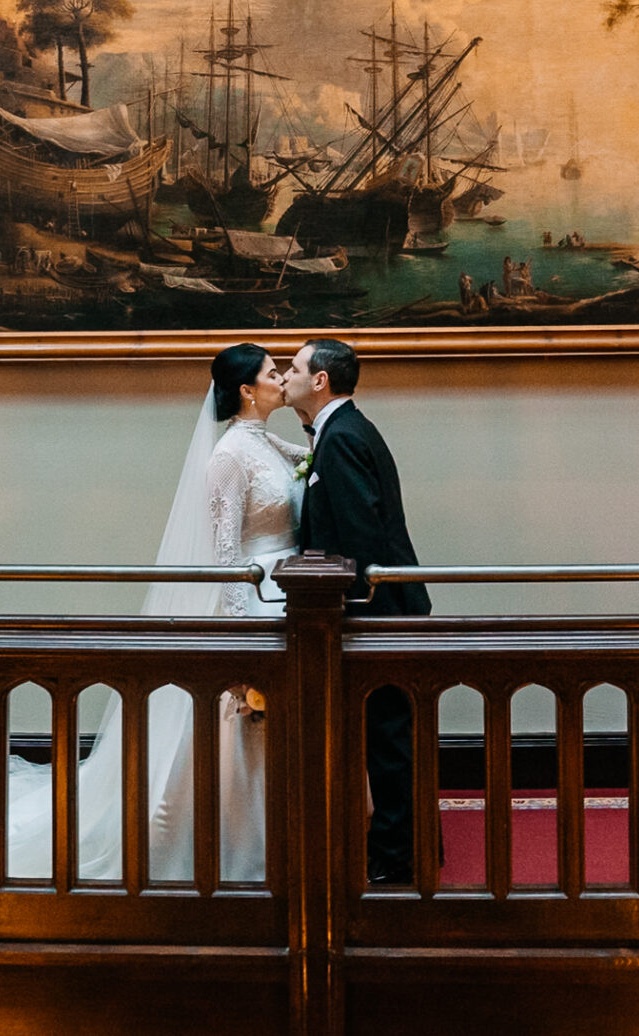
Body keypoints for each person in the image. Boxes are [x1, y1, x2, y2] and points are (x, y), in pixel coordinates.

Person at [0, 343, 303, 883]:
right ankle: (234, 851)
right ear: (246, 388)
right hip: (251, 602)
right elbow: (224, 557)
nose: (282, 376)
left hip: (290, 597)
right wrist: (238, 640)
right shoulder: (229, 457)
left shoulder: (274, 446)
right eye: (271, 371)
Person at [280, 337, 430, 884]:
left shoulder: (341, 438)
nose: (284, 375)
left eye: (294, 367)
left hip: (377, 611)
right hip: (383, 606)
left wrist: (344, 613)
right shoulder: (343, 429)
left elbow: (361, 539)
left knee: (388, 741)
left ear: (321, 380)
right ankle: (407, 847)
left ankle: (397, 861)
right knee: (390, 738)